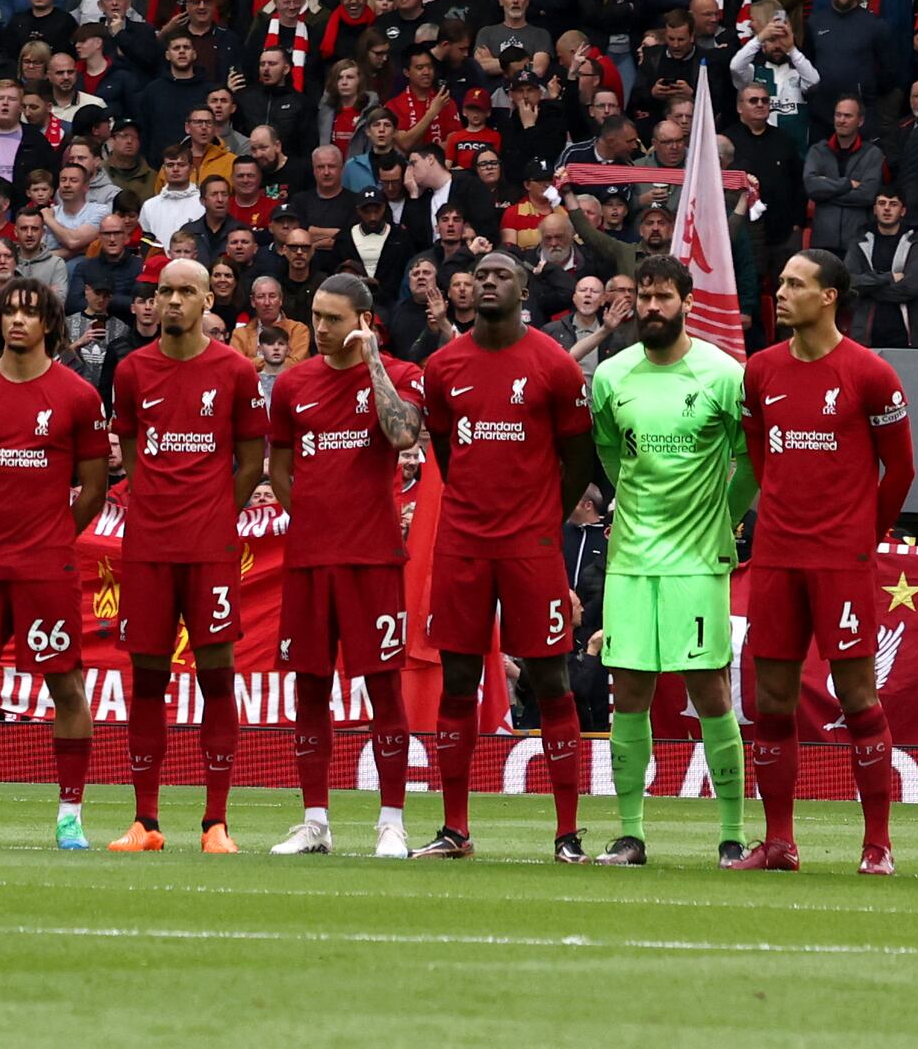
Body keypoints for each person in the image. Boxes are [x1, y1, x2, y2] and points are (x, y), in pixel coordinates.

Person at [730, 245, 913, 875]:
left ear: (828, 296)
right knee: (771, 699)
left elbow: (903, 469)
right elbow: (760, 453)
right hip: (779, 554)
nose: (779, 293)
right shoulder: (759, 371)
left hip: (842, 558)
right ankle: (779, 842)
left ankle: (877, 844)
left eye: (794, 284)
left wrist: (862, 534)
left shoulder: (870, 373)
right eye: (778, 281)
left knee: (857, 695)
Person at [414, 244, 597, 861]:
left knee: (550, 676)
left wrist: (543, 515)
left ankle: (567, 831)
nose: (488, 282)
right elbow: (444, 449)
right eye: (480, 275)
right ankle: (455, 829)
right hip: (464, 541)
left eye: (502, 276)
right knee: (459, 676)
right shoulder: (444, 366)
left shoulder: (553, 364)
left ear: (524, 289)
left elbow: (579, 458)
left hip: (530, 543)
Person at [249, 267, 424, 855]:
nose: (321, 328)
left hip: (373, 559)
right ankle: (315, 822)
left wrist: (372, 359)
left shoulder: (401, 376)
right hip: (309, 560)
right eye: (317, 316)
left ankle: (391, 823)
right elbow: (279, 468)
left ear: (364, 323)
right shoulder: (294, 385)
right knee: (309, 688)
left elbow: (402, 436)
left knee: (384, 689)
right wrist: (316, 523)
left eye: (334, 319)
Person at [585, 252, 751, 866]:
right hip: (630, 558)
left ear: (687, 302)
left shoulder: (723, 374)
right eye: (643, 297)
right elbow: (610, 455)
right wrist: (633, 505)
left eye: (663, 297)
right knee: (628, 688)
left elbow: (751, 459)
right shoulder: (612, 377)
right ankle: (630, 833)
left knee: (709, 690)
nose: (652, 307)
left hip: (697, 561)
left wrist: (721, 512)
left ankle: (733, 837)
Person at [0, 283, 109, 848]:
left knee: (66, 683)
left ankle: (70, 816)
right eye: (9, 311)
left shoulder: (78, 396)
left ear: (51, 325)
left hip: (46, 564)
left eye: (30, 313)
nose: (17, 321)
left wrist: (54, 535)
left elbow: (95, 487)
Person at [104, 253, 255, 852]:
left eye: (183, 292)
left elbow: (249, 461)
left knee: (217, 677)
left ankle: (215, 821)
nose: (169, 302)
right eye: (161, 292)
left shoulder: (236, 371)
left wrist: (215, 513)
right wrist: (156, 506)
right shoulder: (132, 370)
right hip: (148, 547)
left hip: (210, 548)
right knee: (147, 678)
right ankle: (145, 820)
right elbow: (135, 449)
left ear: (205, 302)